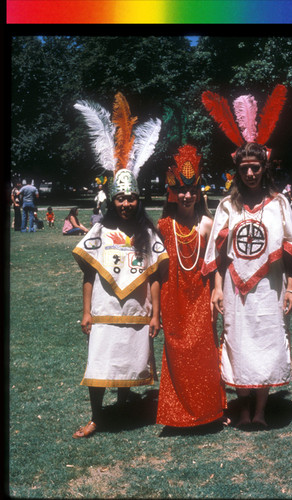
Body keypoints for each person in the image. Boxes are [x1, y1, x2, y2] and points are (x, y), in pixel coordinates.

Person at [202, 86, 292, 427]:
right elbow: (218, 254)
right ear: (237, 169)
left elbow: (289, 250)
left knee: (267, 338)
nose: (250, 173)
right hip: (234, 287)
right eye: (245, 168)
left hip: (269, 287)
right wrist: (217, 288)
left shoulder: (279, 205)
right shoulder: (227, 206)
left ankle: (260, 411)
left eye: (255, 167)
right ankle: (243, 408)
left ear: (264, 167)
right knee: (238, 341)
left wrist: (290, 287)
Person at [72, 91, 163, 438]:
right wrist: (86, 311)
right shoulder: (99, 230)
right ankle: (97, 416)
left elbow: (154, 273)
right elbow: (88, 273)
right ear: (113, 199)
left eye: (131, 198)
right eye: (120, 198)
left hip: (137, 310)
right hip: (105, 308)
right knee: (100, 360)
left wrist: (154, 313)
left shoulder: (147, 232)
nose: (126, 203)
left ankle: (125, 405)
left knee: (130, 358)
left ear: (138, 199)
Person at [156, 145, 227, 428]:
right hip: (172, 296)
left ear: (199, 193)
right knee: (177, 353)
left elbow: (217, 264)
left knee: (204, 353)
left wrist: (215, 294)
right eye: (181, 191)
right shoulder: (163, 226)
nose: (186, 196)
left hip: (201, 295)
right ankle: (179, 414)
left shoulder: (208, 225)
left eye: (192, 190)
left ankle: (210, 410)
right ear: (173, 193)